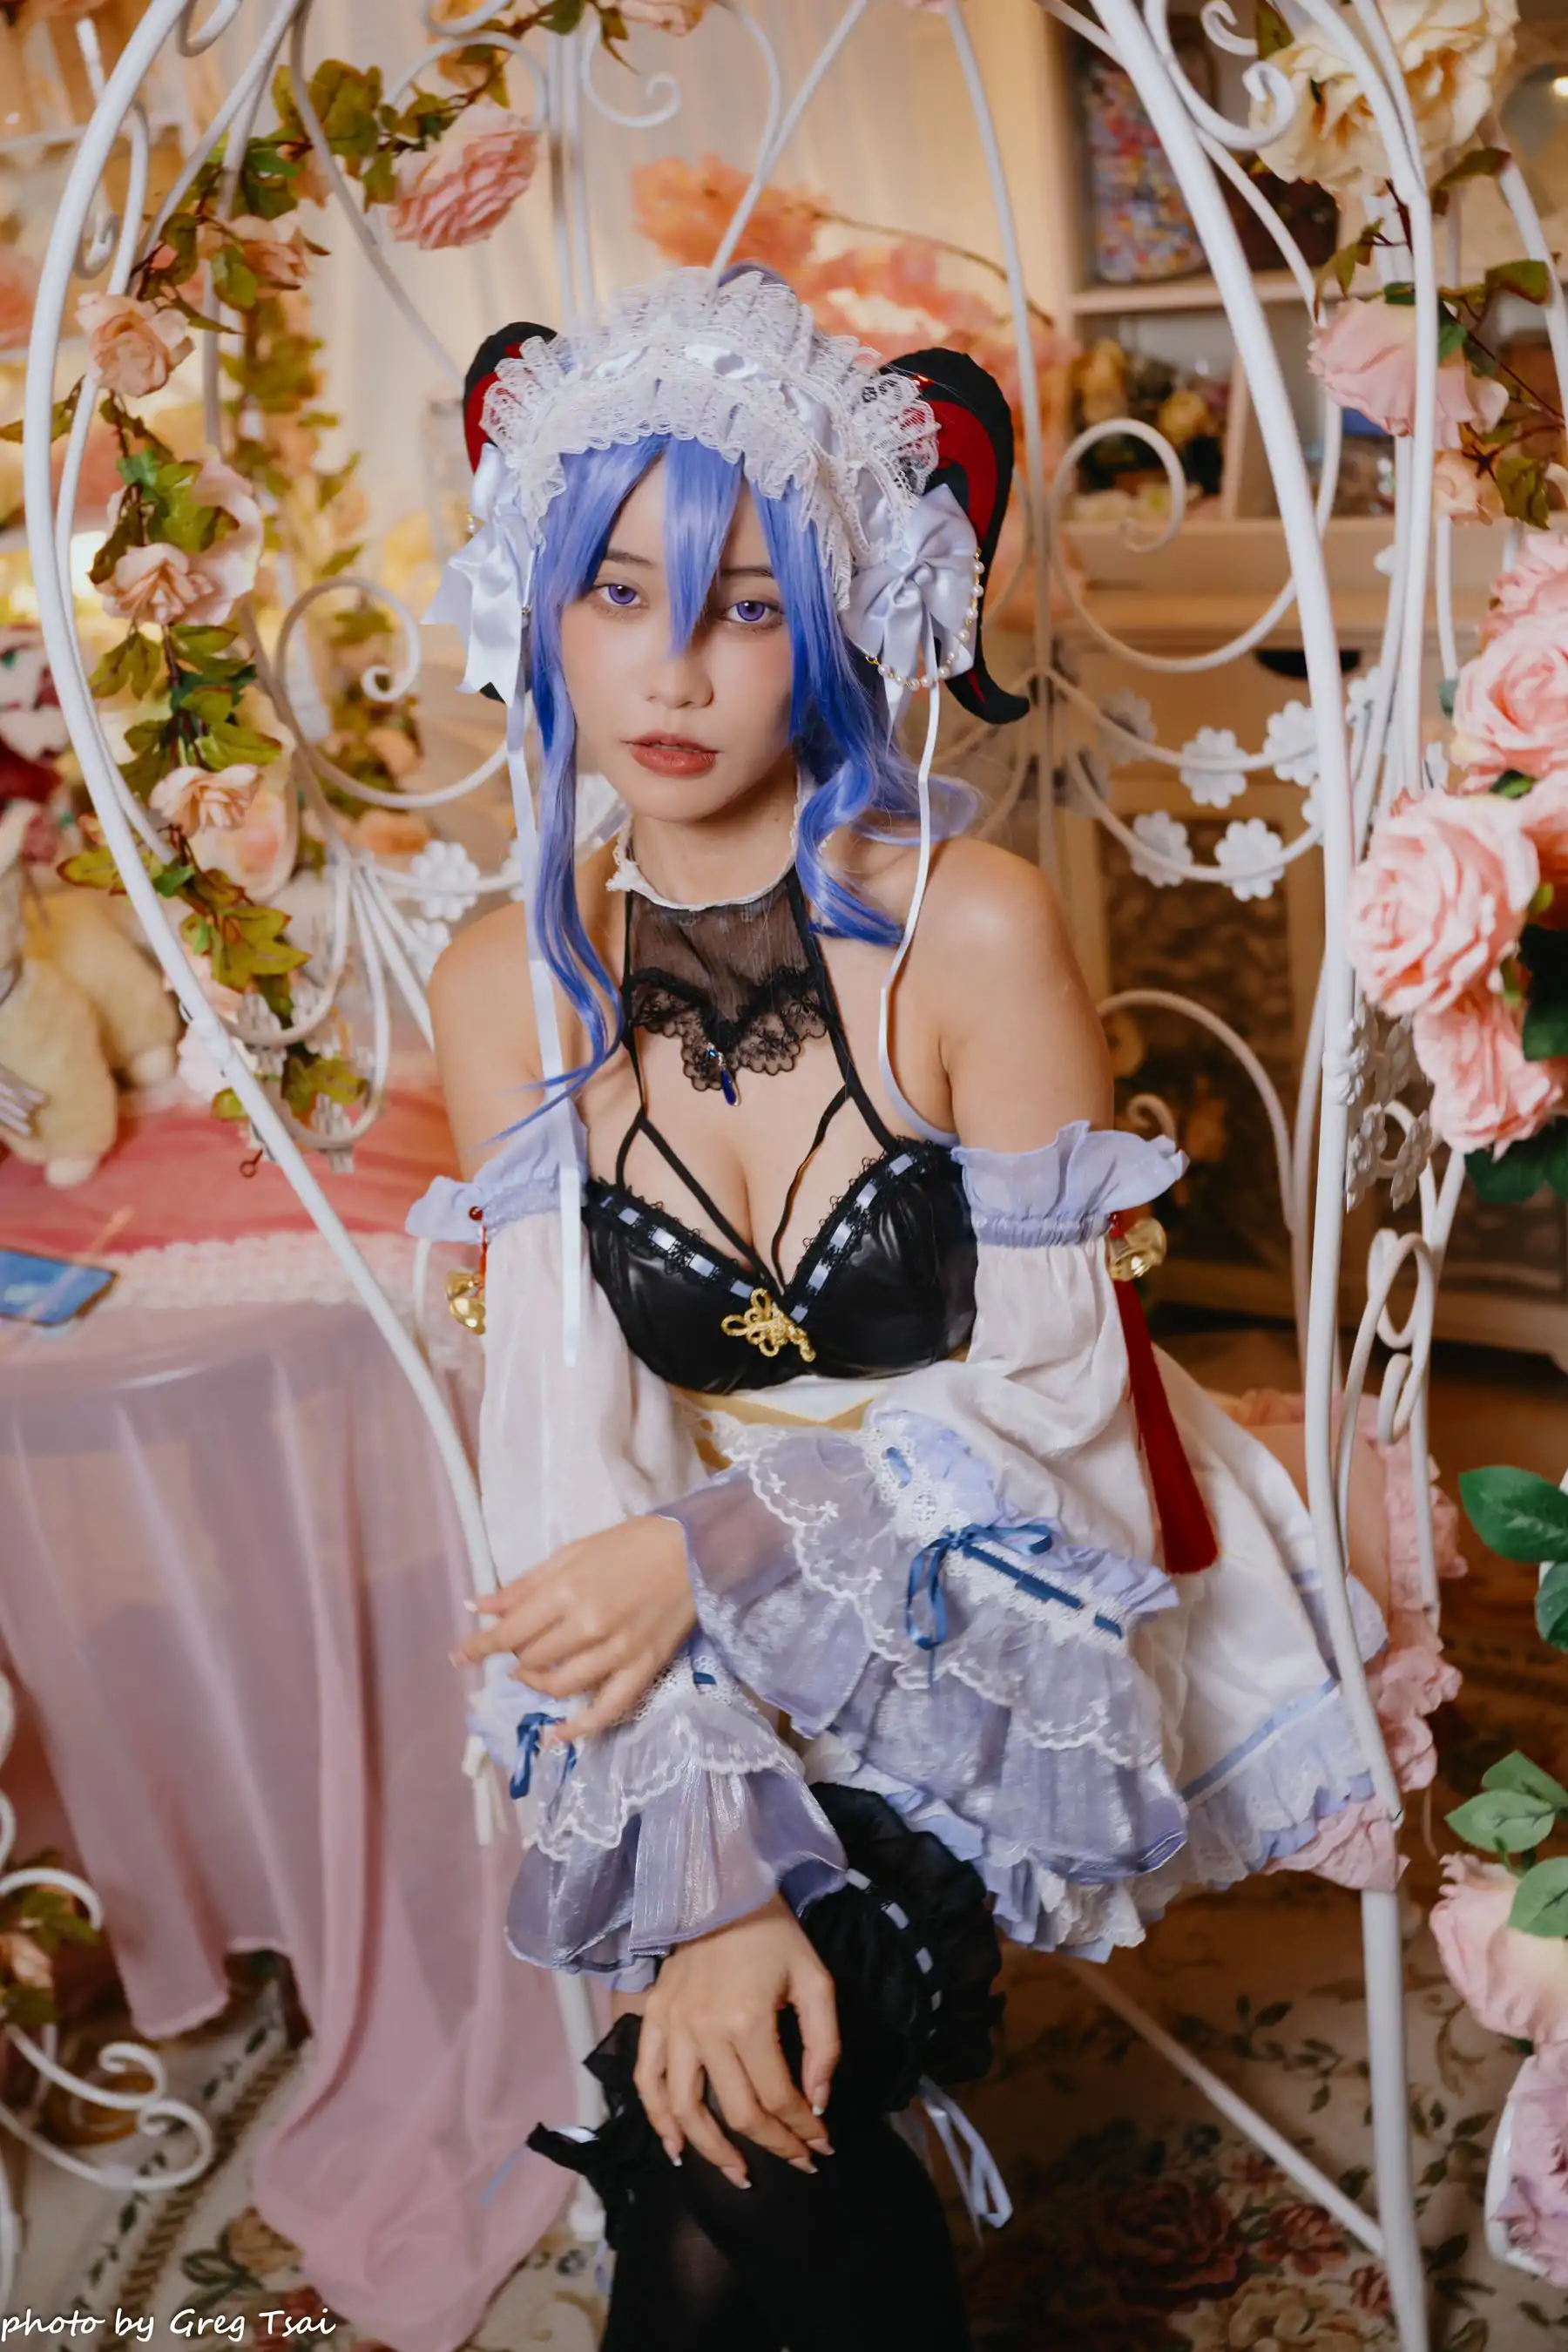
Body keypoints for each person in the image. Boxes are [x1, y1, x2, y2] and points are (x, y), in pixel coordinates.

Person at [409, 266, 1387, 2351]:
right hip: (675, 1630)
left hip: (997, 1576)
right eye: (617, 593)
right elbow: (567, 1455)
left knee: (725, 2158)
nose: (673, 668)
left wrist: (715, 1550)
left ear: (849, 619)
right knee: (724, 2123)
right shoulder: (508, 982)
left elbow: (1061, 1404)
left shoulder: (974, 933)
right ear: (537, 609)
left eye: (752, 606)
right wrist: (709, 1872)